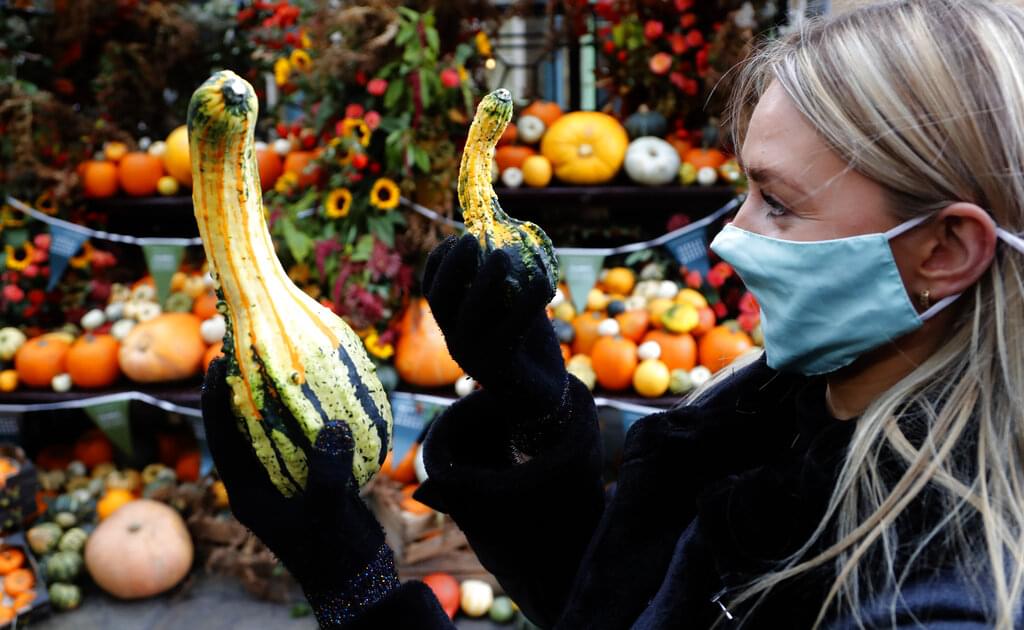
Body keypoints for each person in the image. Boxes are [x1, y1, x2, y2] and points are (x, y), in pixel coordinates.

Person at [201, 0, 1024, 627]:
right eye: (744, 189)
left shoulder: (934, 599)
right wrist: (535, 408)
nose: (732, 237)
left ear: (944, 249)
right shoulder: (784, 406)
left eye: (777, 202)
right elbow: (616, 603)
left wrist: (359, 587)